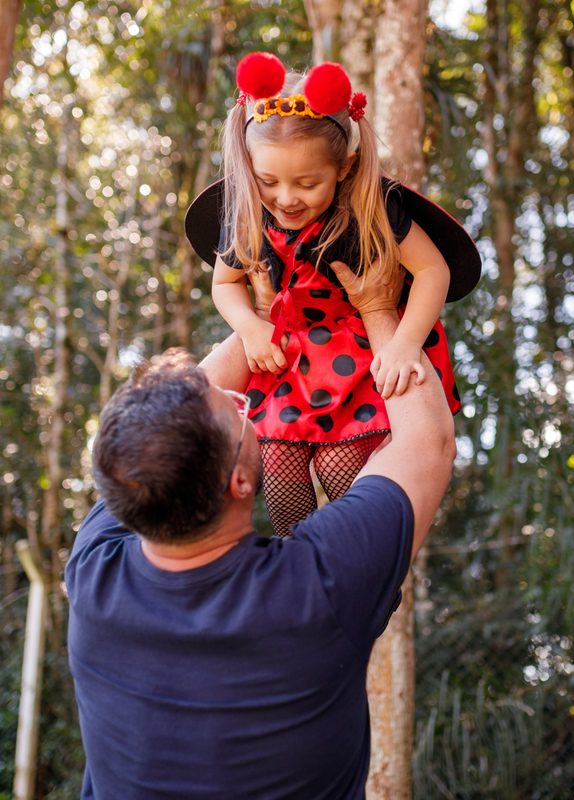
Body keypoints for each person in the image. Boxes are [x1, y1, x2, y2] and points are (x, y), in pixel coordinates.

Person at [65, 260, 456, 799]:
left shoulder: (93, 573)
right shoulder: (320, 586)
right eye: (234, 411)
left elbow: (164, 431)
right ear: (242, 481)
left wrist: (271, 317)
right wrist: (379, 311)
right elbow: (426, 442)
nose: (233, 395)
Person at [183, 51, 480, 537]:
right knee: (277, 469)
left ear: (344, 166)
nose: (285, 198)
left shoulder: (373, 210)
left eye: (307, 183)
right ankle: (293, 571)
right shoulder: (247, 214)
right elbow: (224, 284)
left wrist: (405, 343)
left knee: (343, 468)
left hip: (358, 356)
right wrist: (250, 326)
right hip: (288, 360)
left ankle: (358, 571)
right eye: (268, 181)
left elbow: (434, 271)